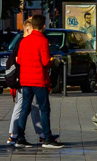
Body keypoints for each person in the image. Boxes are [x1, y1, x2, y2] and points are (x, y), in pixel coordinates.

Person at [13, 16, 63, 149]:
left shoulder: (24, 41)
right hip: (38, 80)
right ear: (43, 26)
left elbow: (19, 60)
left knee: (25, 109)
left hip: (25, 80)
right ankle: (47, 138)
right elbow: (46, 61)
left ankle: (20, 138)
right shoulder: (42, 40)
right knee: (44, 109)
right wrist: (52, 61)